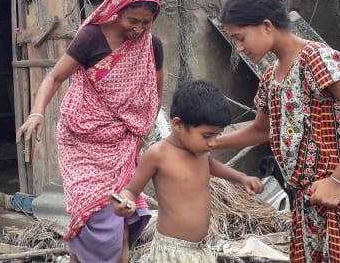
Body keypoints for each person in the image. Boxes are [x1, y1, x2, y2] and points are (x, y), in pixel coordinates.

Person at [215, 0, 340, 262]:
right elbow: (261, 130)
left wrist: (337, 180)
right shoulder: (271, 76)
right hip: (308, 203)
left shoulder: (316, 58)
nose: (240, 48)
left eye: (240, 38)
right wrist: (210, 143)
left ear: (266, 26)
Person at [16, 0, 164, 263]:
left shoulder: (151, 46)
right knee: (91, 221)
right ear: (117, 9)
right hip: (81, 138)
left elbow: (155, 92)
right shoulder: (91, 37)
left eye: (146, 23)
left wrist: (142, 127)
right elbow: (55, 77)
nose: (138, 29)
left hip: (121, 142)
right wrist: (37, 113)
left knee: (120, 222)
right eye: (132, 20)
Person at [111, 80, 263, 263]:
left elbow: (212, 166)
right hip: (172, 250)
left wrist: (242, 178)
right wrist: (125, 201)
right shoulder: (158, 154)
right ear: (178, 125)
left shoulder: (200, 151)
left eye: (217, 135)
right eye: (207, 135)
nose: (214, 143)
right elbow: (132, 190)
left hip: (199, 248)